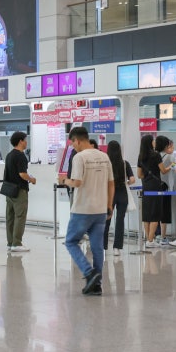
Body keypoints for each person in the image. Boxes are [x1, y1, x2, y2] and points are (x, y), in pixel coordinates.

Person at [59, 127, 114, 296]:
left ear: (77, 140)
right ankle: (96, 285)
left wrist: (64, 180)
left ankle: (89, 273)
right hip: (100, 209)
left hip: (82, 208)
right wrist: (109, 205)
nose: (73, 146)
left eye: (72, 143)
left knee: (70, 241)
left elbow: (76, 182)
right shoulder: (104, 156)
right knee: (97, 247)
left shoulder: (79, 157)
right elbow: (111, 183)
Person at [4, 132, 36, 252]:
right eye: (25, 140)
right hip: (19, 191)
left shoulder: (9, 155)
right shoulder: (21, 156)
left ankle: (10, 242)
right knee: (20, 216)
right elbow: (22, 174)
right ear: (20, 141)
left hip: (9, 190)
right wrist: (31, 179)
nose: (26, 142)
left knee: (10, 217)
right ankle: (17, 243)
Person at [103, 140, 135, 256]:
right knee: (120, 220)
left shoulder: (106, 164)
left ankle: (104, 246)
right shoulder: (125, 163)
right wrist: (125, 182)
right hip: (122, 194)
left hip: (109, 194)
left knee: (106, 220)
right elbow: (132, 180)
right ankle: (117, 248)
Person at [138, 134, 171, 248]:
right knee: (155, 214)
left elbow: (139, 175)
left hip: (145, 186)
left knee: (147, 214)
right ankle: (150, 240)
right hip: (155, 186)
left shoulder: (141, 156)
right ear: (149, 143)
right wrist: (171, 166)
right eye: (153, 141)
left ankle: (149, 239)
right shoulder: (156, 155)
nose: (154, 142)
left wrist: (147, 177)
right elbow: (163, 171)